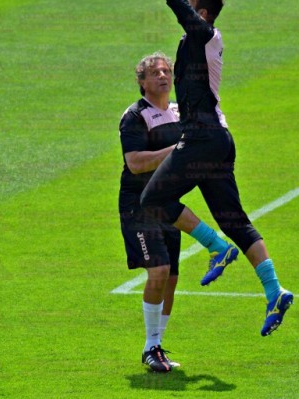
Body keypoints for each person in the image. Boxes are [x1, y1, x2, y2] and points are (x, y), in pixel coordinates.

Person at [139, 0, 293, 337]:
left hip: (201, 138)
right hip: (219, 140)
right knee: (234, 217)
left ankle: (216, 247)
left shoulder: (202, 33)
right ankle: (275, 290)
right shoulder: (204, 34)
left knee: (153, 199)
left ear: (202, 14)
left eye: (192, 5)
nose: (185, 4)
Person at [119, 53, 182, 373]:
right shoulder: (135, 116)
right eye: (155, 72)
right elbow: (135, 163)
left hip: (167, 202)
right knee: (158, 270)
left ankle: (157, 343)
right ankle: (150, 347)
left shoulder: (178, 112)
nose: (162, 76)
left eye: (166, 71)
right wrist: (176, 150)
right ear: (142, 82)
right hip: (139, 205)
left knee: (171, 277)